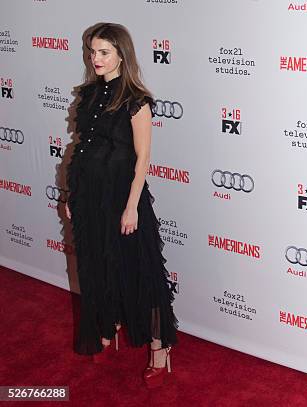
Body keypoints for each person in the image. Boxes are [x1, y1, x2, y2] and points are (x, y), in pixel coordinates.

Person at [65, 22, 178, 388]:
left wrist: (131, 208)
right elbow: (83, 150)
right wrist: (73, 196)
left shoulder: (136, 101)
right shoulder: (89, 94)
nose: (95, 58)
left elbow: (142, 158)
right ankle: (107, 321)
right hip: (91, 198)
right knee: (98, 265)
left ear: (121, 55)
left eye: (104, 52)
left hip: (123, 198)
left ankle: (160, 348)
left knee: (142, 272)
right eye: (93, 52)